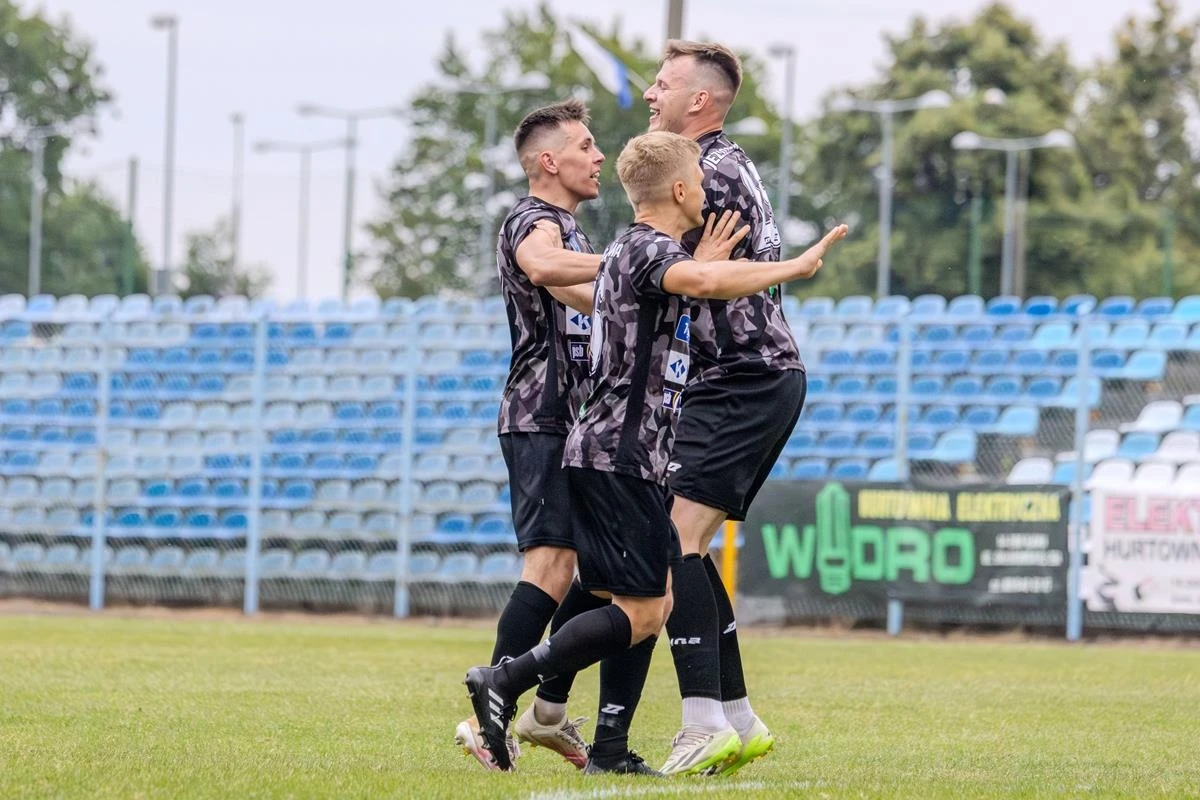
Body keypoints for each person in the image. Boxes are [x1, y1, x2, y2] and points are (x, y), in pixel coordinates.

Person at [462, 131, 847, 776]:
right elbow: (703, 278)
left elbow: (691, 284)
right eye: (698, 180)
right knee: (641, 611)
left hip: (619, 452)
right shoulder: (642, 249)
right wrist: (795, 267)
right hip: (621, 453)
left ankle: (597, 741)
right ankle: (507, 682)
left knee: (637, 600)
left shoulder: (633, 254)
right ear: (679, 189)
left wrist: (704, 269)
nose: (706, 191)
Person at [642, 40, 814, 776]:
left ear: (700, 101)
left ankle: (704, 720)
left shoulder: (703, 172)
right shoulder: (726, 163)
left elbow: (650, 268)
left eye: (663, 83)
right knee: (687, 543)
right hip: (750, 375)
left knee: (670, 541)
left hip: (740, 376)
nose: (650, 94)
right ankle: (737, 718)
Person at [454, 98, 606, 773]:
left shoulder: (572, 231)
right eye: (585, 146)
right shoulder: (533, 220)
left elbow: (591, 298)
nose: (598, 156)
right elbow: (542, 266)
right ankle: (487, 715)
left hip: (577, 421)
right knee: (549, 567)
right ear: (548, 161)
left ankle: (545, 710)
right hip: (541, 415)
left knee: (598, 571)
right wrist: (636, 261)